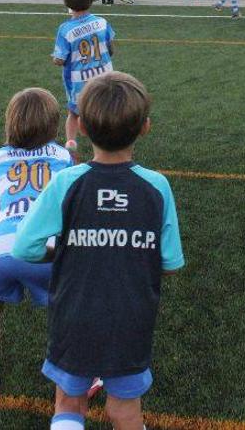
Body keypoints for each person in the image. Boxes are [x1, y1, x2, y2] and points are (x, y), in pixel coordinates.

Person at [12, 72, 184, 430]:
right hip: (131, 317)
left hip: (74, 314)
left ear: (83, 128)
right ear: (145, 127)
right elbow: (169, 264)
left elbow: (24, 247)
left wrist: (60, 252)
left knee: (69, 400)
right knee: (124, 409)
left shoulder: (67, 181)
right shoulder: (156, 187)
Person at [0, 88, 77, 403]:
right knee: (69, 307)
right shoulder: (64, 157)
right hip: (48, 251)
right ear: (53, 126)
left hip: (3, 251)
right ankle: (85, 376)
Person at [52, 0, 115, 153]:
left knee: (74, 113)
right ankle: (109, 141)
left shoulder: (65, 29)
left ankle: (71, 142)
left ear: (67, 2)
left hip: (80, 80)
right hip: (105, 77)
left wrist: (56, 59)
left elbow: (60, 59)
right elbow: (110, 49)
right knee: (104, 109)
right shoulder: (102, 22)